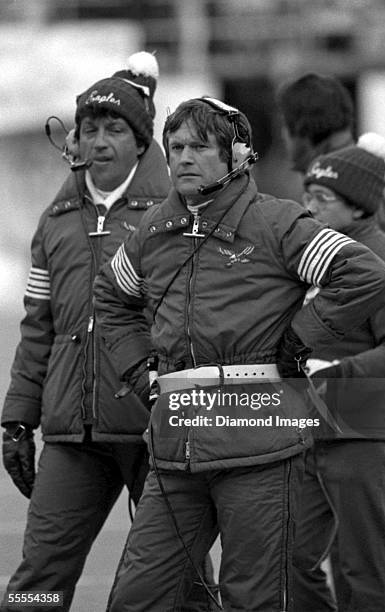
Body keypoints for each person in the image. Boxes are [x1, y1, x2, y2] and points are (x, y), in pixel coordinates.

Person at [93, 96, 385, 611]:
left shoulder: (277, 223)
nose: (183, 157)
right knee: (135, 598)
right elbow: (111, 297)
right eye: (176, 147)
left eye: (199, 147)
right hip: (173, 452)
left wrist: (300, 339)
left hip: (259, 453)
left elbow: (365, 273)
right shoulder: (153, 233)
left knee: (252, 601)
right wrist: (140, 370)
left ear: (238, 154)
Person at [0, 52, 172, 612]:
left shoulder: (176, 216)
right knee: (37, 585)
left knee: (177, 584)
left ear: (141, 141)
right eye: (89, 128)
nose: (98, 140)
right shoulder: (53, 223)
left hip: (157, 431)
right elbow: (38, 328)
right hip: (74, 436)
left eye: (114, 129)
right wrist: (17, 419)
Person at [292, 133, 385, 612]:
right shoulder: (314, 257)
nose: (310, 207)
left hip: (363, 431)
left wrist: (338, 370)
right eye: (308, 195)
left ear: (359, 207)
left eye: (323, 198)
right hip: (305, 426)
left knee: (367, 570)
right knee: (287, 555)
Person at [277, 72, 385, 248]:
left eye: (284, 125)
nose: (282, 135)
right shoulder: (373, 184)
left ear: (301, 130)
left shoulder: (342, 194)